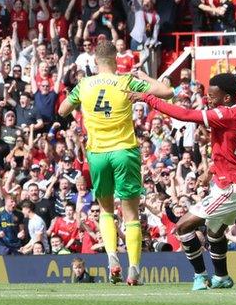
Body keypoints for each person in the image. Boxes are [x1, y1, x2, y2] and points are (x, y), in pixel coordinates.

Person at [58, 41, 173, 285]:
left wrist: (80, 103)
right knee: (131, 214)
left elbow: (62, 109)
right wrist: (144, 76)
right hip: (124, 151)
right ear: (115, 59)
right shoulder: (125, 81)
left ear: (95, 61)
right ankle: (133, 269)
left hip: (98, 154)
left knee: (107, 210)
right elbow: (166, 92)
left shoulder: (84, 84)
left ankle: (111, 258)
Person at [128, 73, 236, 290]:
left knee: (183, 226)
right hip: (228, 180)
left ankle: (200, 276)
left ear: (227, 98)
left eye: (212, 96)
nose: (208, 99)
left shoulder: (226, 114)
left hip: (231, 187)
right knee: (215, 231)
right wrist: (211, 170)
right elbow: (230, 150)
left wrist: (148, 98)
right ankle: (222, 277)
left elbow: (185, 114)